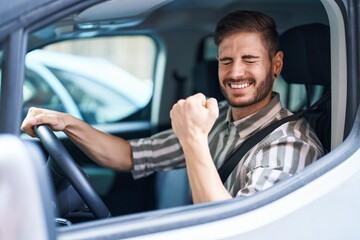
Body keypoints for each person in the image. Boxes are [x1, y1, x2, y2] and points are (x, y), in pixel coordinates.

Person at [21, 10, 324, 204]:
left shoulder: (289, 145)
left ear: (276, 64)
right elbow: (130, 155)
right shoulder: (217, 117)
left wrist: (193, 138)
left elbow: (227, 230)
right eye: (226, 61)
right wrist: (68, 123)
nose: (235, 73)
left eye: (250, 60)